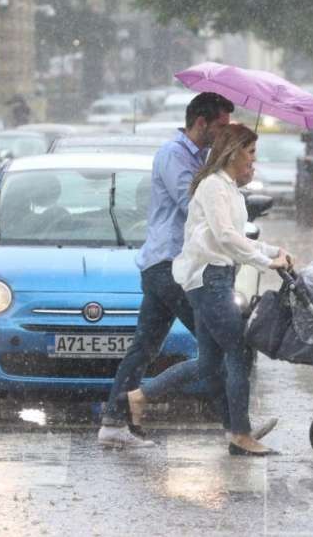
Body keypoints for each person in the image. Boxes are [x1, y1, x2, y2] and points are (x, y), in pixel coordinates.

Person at [123, 123, 292, 456]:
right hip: (209, 279)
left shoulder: (228, 188)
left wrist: (273, 251)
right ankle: (241, 434)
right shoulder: (213, 187)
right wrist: (264, 262)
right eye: (251, 152)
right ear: (233, 152)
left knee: (208, 363)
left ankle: (141, 395)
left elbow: (236, 235)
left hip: (217, 277)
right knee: (239, 352)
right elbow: (224, 237)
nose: (254, 161)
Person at [98, 92, 238, 447]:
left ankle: (114, 422)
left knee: (144, 347)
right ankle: (236, 425)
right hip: (171, 266)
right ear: (201, 123)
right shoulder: (174, 154)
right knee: (220, 342)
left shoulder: (205, 157)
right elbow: (192, 203)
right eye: (220, 127)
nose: (223, 134)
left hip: (170, 266)